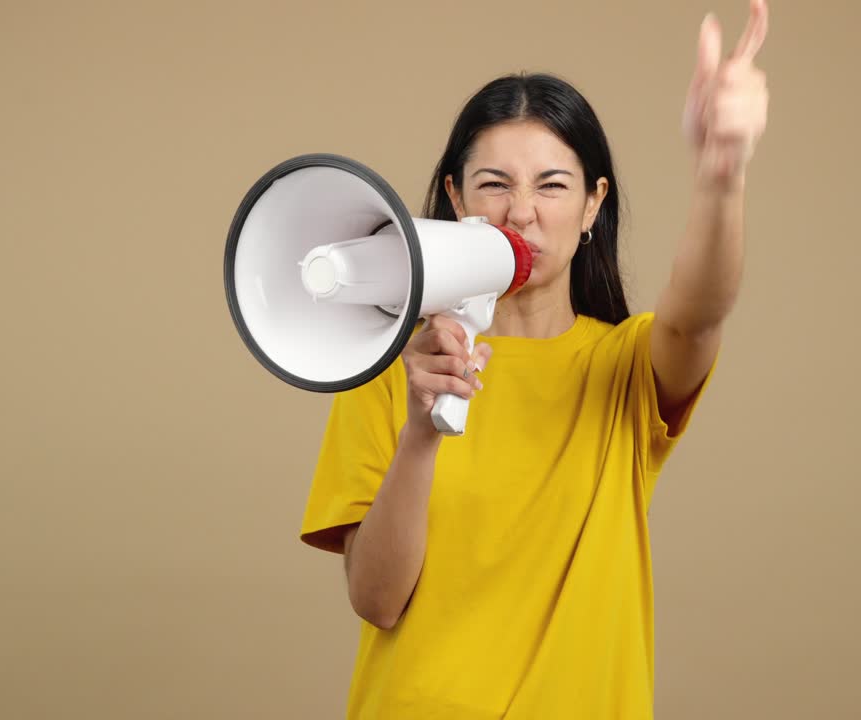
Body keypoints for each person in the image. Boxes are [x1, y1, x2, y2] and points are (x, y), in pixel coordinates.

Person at [299, 2, 770, 717]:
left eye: (552, 185)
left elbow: (701, 310)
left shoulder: (625, 369)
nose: (521, 212)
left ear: (591, 207)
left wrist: (723, 172)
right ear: (456, 197)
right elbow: (377, 600)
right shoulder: (391, 367)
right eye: (494, 184)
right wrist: (421, 432)